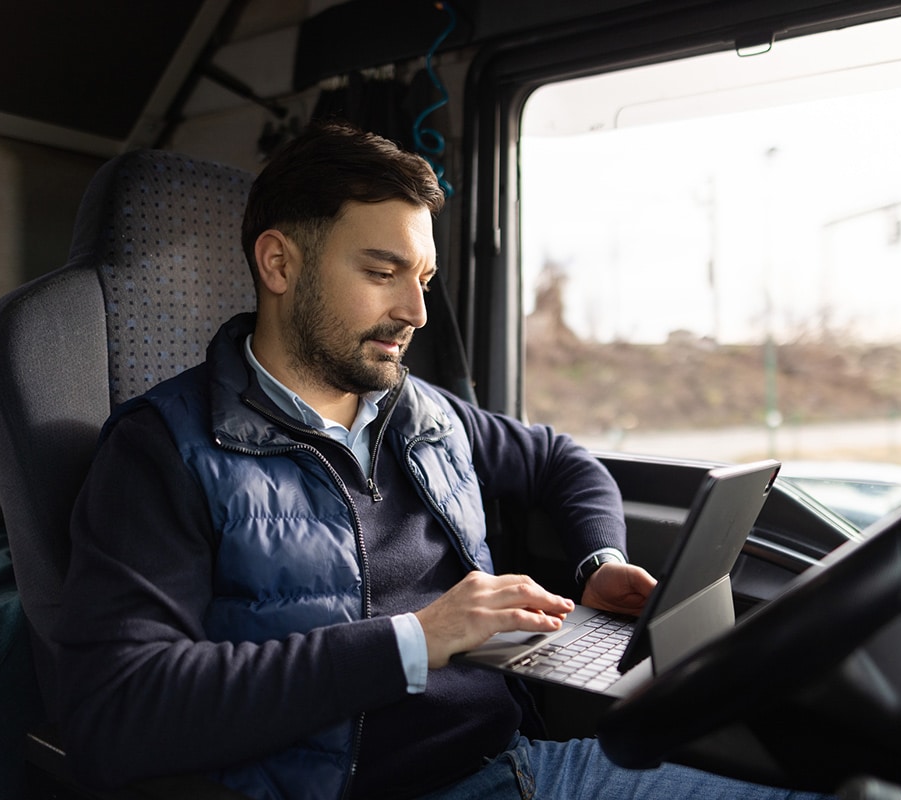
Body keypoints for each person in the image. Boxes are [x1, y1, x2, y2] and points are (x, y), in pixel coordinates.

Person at [55, 121, 829, 800]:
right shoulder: (163, 450)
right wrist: (418, 639)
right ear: (280, 265)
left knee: (834, 780)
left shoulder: (417, 408)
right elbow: (119, 713)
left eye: (422, 279)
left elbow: (563, 460)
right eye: (382, 272)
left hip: (520, 764)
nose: (416, 313)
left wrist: (599, 561)